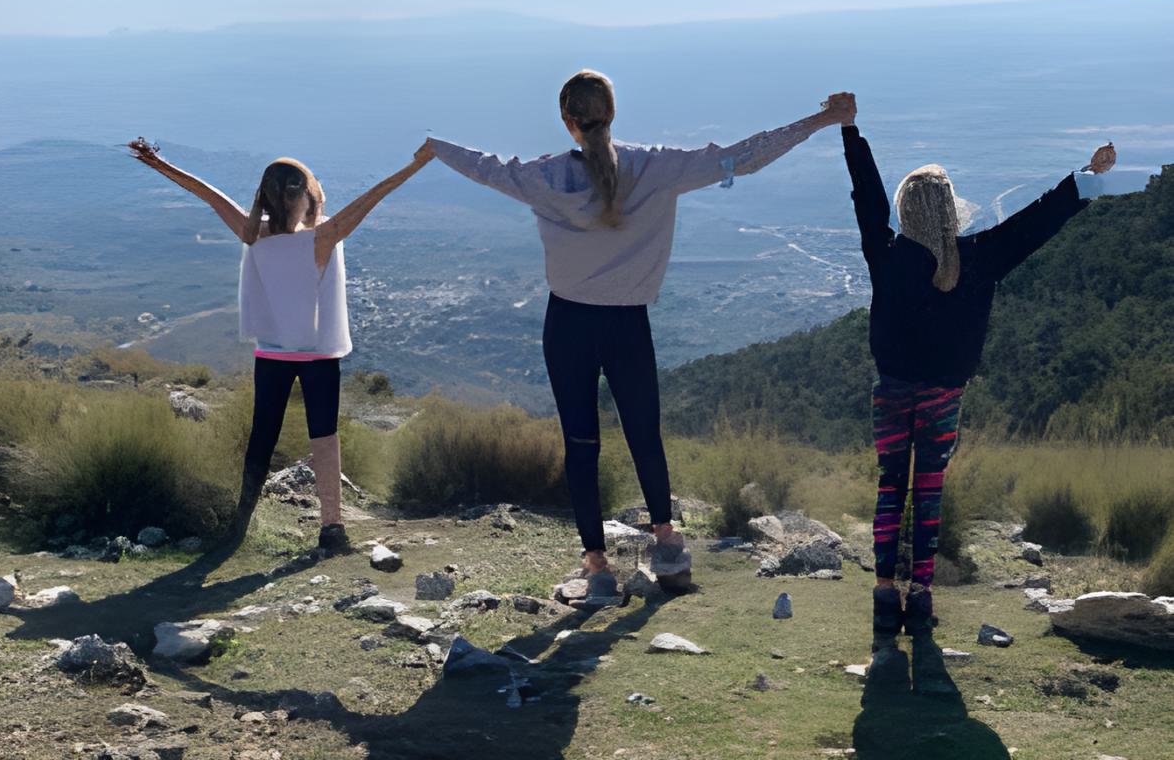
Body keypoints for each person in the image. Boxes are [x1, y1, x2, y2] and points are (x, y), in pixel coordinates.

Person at [428, 69, 854, 592]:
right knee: (644, 433)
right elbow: (745, 155)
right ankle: (668, 545)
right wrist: (823, 119)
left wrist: (435, 147)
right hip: (629, 323)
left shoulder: (546, 177)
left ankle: (596, 567)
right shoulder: (656, 167)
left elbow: (485, 168)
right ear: (612, 113)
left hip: (567, 324)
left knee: (581, 444)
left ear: (568, 122)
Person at [838, 98, 1119, 696]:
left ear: (908, 211)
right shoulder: (981, 257)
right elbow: (1037, 222)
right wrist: (1086, 177)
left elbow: (865, 194)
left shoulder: (886, 256)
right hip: (944, 397)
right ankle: (922, 599)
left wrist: (851, 131)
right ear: (948, 210)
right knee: (930, 492)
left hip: (891, 392)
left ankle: (884, 596)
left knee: (892, 487)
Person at [127, 138, 434, 554]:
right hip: (318, 356)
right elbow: (375, 195)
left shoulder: (251, 234)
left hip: (271, 353)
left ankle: (240, 523)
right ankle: (332, 528)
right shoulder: (325, 236)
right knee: (324, 438)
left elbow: (204, 193)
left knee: (262, 436)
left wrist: (158, 163)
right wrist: (416, 166)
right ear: (306, 197)